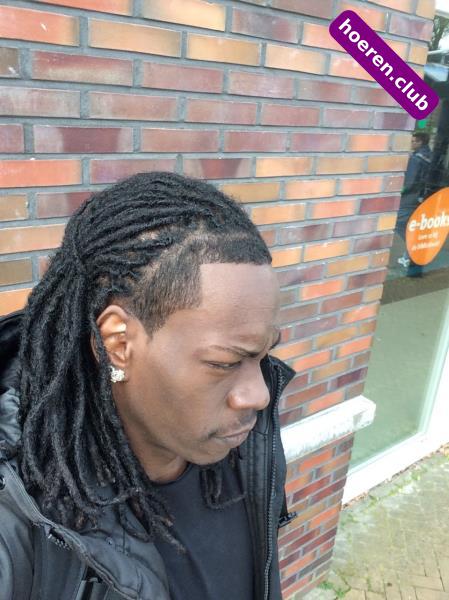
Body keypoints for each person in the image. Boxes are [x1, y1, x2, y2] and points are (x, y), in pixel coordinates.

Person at [0, 172, 297, 600]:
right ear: (118, 342)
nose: (259, 394)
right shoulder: (18, 523)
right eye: (225, 363)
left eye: (263, 354)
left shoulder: (244, 448)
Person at [396, 131, 432, 276]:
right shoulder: (430, 155)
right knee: (413, 225)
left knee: (400, 223)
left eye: (413, 141)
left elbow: (409, 183)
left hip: (410, 198)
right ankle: (409, 255)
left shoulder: (415, 159)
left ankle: (412, 252)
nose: (411, 144)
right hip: (421, 198)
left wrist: (399, 192)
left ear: (419, 142)